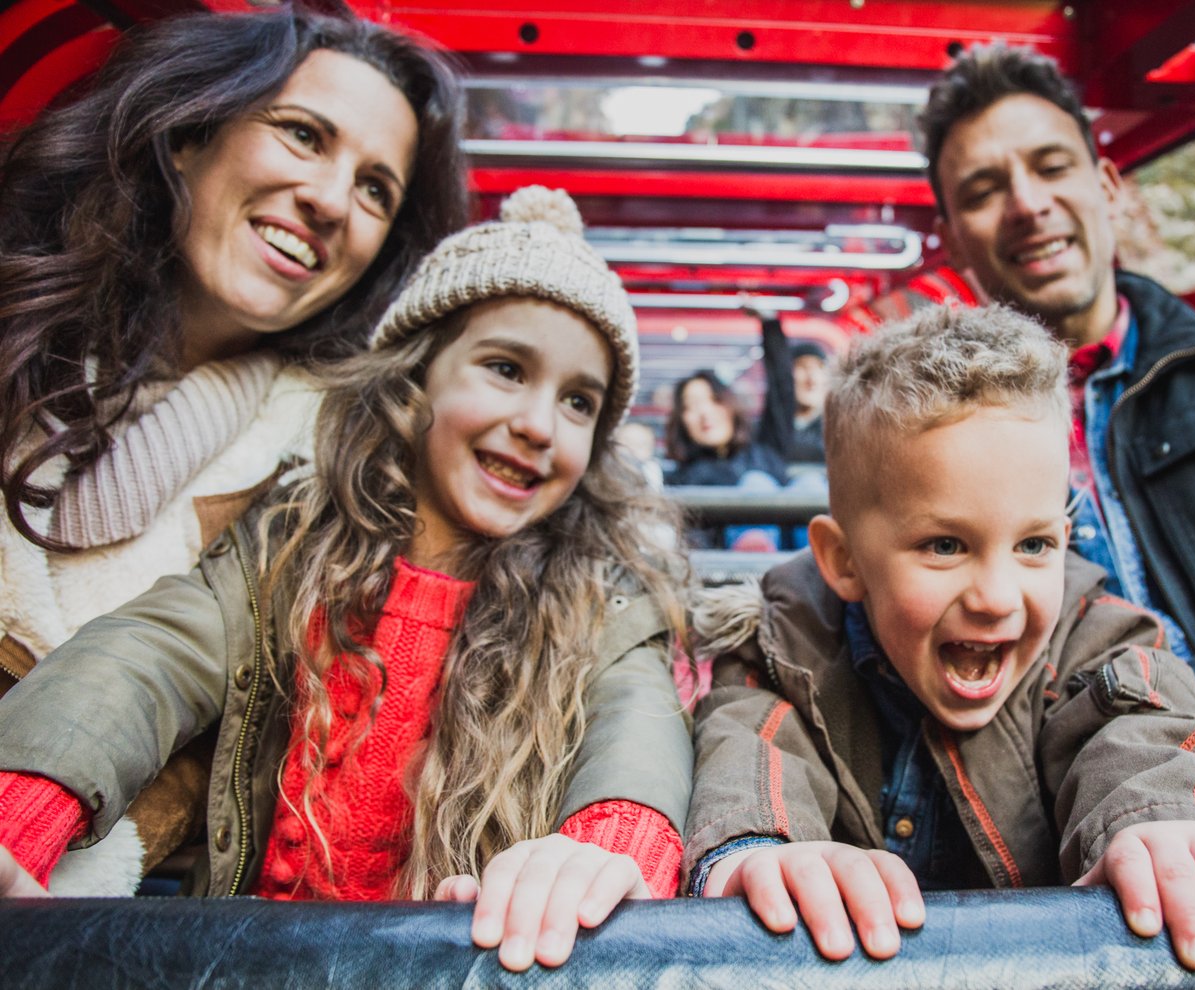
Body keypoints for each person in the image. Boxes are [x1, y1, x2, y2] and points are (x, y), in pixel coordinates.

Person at [0, 186, 693, 974]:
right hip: (266, 961)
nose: (540, 424)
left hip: (474, 962)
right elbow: (146, 659)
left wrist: (607, 843)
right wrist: (24, 801)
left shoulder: (599, 601)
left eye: (579, 402)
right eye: (505, 369)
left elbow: (636, 723)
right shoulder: (292, 543)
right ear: (416, 374)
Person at [685, 306, 1195, 973]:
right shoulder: (786, 648)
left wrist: (1159, 820)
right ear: (845, 562)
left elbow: (1138, 723)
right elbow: (753, 742)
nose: (999, 597)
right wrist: (762, 848)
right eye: (945, 545)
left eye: (1034, 544)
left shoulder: (1095, 636)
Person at [0, 8, 466, 887]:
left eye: (375, 190)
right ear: (190, 137)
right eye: (301, 135)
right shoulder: (17, 329)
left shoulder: (351, 468)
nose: (330, 201)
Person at [922, 43, 1195, 778]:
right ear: (955, 238)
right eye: (983, 190)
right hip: (1065, 848)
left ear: (1110, 186)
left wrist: (1153, 733)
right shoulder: (926, 436)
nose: (1028, 204)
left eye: (1052, 167)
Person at [663, 370, 788, 488]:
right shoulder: (682, 481)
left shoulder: (763, 458)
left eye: (715, 400)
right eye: (692, 405)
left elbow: (781, 391)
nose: (705, 412)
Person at [747, 308, 829, 465]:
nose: (812, 378)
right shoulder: (771, 428)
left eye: (819, 368)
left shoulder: (836, 428)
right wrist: (770, 324)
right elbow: (780, 381)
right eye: (803, 367)